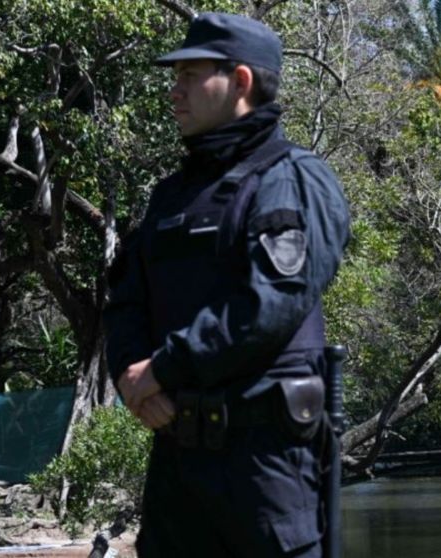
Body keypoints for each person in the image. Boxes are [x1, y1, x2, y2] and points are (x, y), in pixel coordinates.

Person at [103, 11, 350, 557]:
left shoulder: (294, 179)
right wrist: (129, 375)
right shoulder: (171, 195)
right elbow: (125, 299)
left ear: (240, 82)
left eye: (190, 76)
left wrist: (164, 367)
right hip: (177, 469)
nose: (174, 91)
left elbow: (271, 306)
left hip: (265, 470)